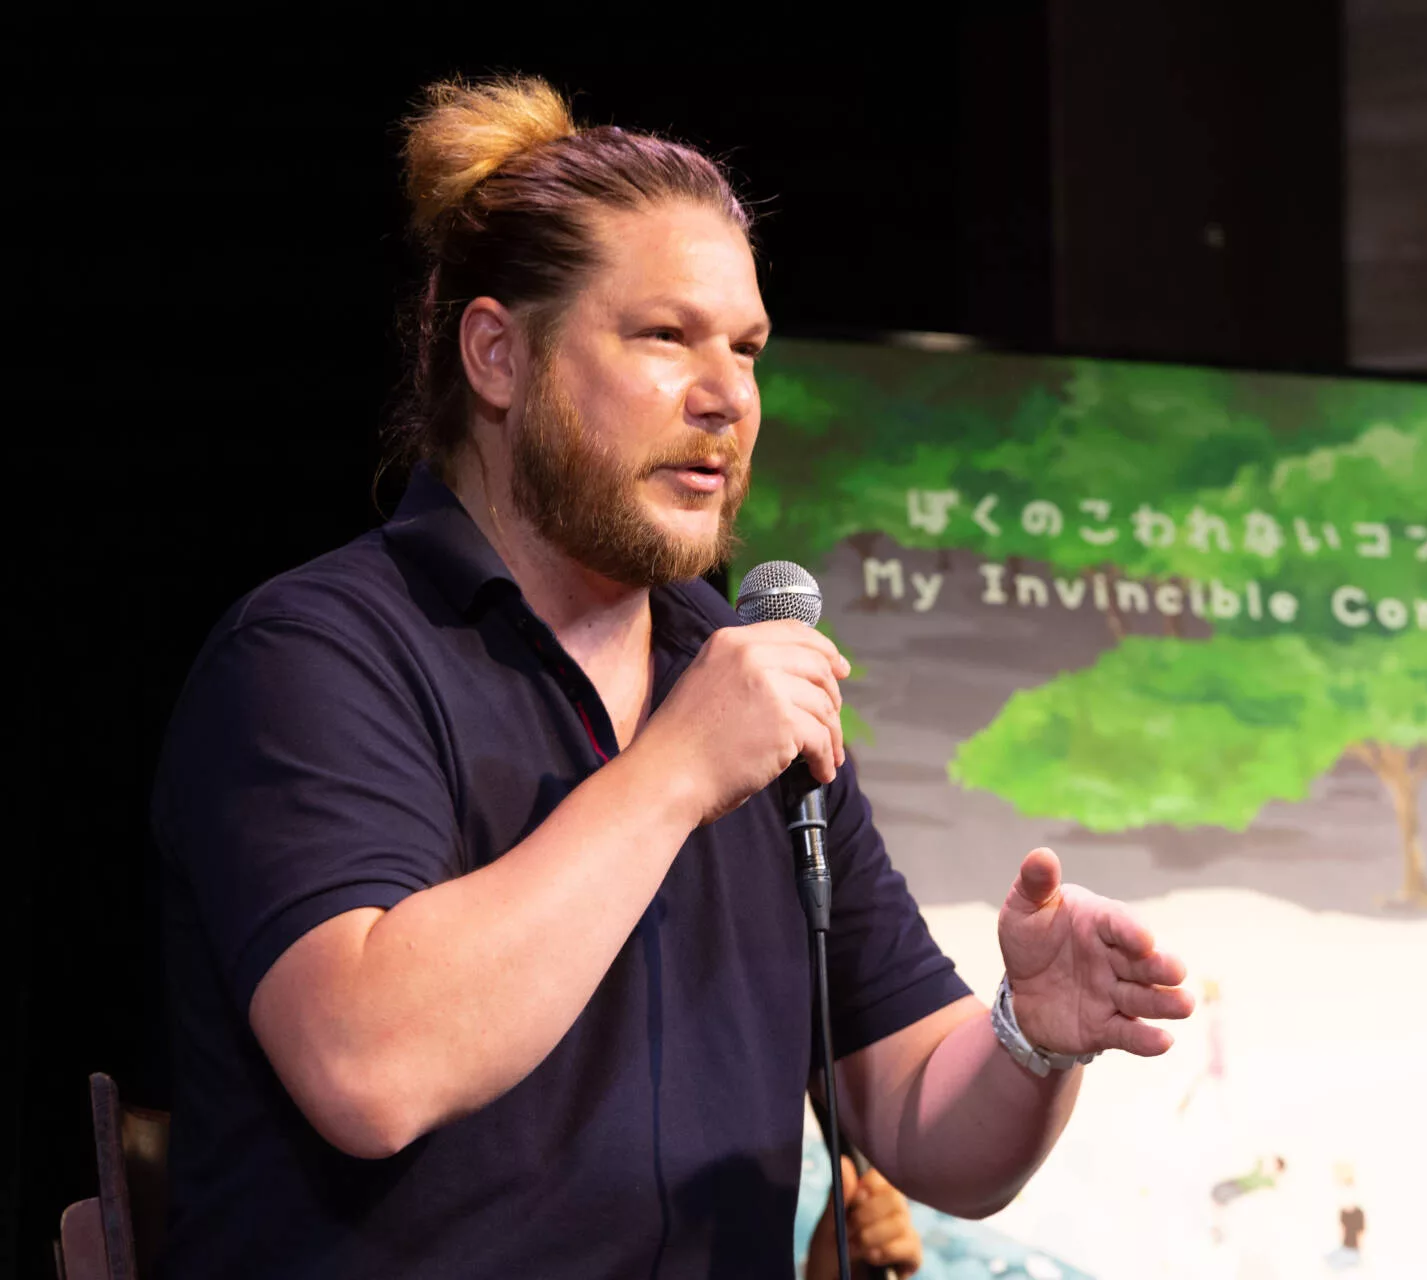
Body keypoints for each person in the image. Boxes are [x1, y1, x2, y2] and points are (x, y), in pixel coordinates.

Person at [150, 74, 1192, 1278]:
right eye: (664, 336)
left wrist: (1032, 1038)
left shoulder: (733, 673)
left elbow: (919, 1115)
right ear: (497, 354)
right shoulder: (318, 654)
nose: (727, 397)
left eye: (745, 347)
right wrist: (677, 769)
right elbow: (368, 1067)